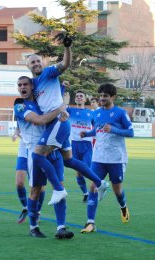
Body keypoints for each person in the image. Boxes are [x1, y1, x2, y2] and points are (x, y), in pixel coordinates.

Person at [27, 35, 109, 206]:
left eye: (38, 61)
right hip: (57, 123)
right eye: (32, 62)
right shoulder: (33, 85)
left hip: (58, 121)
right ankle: (100, 183)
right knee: (68, 160)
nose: (36, 64)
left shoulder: (49, 72)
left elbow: (65, 64)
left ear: (42, 63)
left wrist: (67, 48)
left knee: (37, 155)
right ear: (28, 66)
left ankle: (58, 189)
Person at [14, 76, 74, 239]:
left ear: (32, 86)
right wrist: (63, 107)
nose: (22, 87)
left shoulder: (42, 102)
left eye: (25, 84)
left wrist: (63, 87)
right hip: (36, 153)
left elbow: (55, 96)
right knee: (36, 190)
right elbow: (40, 120)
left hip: (52, 149)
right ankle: (33, 227)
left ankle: (61, 227)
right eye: (19, 85)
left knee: (59, 188)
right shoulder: (19, 106)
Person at [79, 83, 134, 233]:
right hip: (99, 157)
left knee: (117, 190)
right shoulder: (96, 113)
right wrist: (87, 134)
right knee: (93, 187)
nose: (102, 98)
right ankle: (90, 223)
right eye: (101, 96)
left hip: (116, 158)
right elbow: (97, 130)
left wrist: (114, 129)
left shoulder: (120, 113)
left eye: (105, 96)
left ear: (113, 97)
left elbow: (131, 132)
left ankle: (123, 207)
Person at [11, 125, 45, 224]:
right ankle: (26, 207)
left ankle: (37, 211)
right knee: (19, 183)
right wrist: (15, 133)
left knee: (39, 186)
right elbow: (19, 127)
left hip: (36, 151)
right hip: (23, 152)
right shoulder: (22, 111)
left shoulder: (39, 113)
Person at [67, 90, 94, 203]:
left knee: (86, 169)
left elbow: (97, 127)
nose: (78, 98)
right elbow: (62, 107)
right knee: (78, 172)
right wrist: (66, 98)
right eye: (77, 96)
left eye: (81, 96)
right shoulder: (71, 111)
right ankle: (85, 193)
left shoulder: (91, 113)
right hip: (74, 144)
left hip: (87, 144)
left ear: (85, 99)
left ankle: (96, 188)